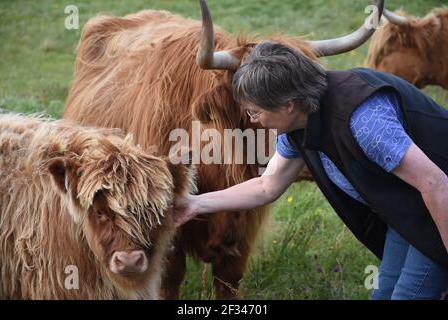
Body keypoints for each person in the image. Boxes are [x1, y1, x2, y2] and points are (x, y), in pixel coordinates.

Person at [173, 41, 448, 300]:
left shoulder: (363, 120)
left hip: (438, 206)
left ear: (287, 104)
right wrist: (195, 204)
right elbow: (267, 185)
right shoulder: (297, 125)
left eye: (255, 112)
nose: (252, 120)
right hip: (410, 209)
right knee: (383, 293)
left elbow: (436, 184)